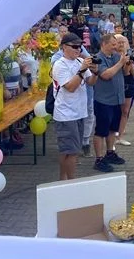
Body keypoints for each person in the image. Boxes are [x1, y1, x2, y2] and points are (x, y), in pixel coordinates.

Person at [51, 33, 99, 180]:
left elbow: (90, 82)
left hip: (79, 112)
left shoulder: (79, 61)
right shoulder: (60, 64)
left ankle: (63, 179)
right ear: (64, 47)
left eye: (80, 46)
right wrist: (82, 70)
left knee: (67, 150)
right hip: (65, 114)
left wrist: (96, 71)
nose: (78, 49)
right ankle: (72, 183)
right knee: (72, 151)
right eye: (75, 46)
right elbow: (70, 87)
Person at [90, 34, 129, 173]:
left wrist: (127, 63)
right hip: (103, 101)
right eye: (113, 44)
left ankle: (110, 153)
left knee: (113, 129)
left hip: (117, 99)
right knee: (101, 130)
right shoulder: (98, 58)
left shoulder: (116, 56)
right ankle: (99, 159)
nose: (115, 46)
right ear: (104, 44)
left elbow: (126, 73)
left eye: (116, 44)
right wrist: (120, 63)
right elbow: (105, 75)